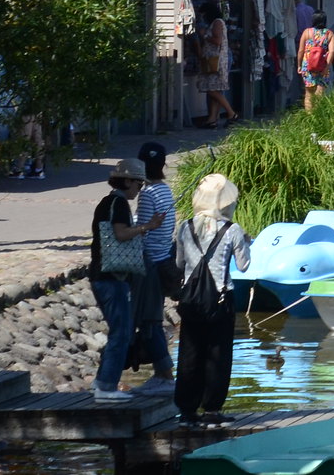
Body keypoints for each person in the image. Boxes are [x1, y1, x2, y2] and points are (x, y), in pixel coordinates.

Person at [173, 173, 252, 427]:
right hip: (220, 297)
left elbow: (179, 264)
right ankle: (212, 410)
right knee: (218, 354)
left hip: (191, 298)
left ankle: (187, 411)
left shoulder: (185, 227)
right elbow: (244, 265)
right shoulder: (232, 230)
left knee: (189, 352)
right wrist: (246, 243)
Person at [90, 157, 162, 401]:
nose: (139, 189)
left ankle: (102, 381)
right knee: (121, 332)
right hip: (109, 277)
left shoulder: (109, 202)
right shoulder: (117, 203)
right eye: (138, 184)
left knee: (120, 330)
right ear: (127, 180)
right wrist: (148, 226)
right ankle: (106, 387)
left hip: (104, 275)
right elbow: (120, 234)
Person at [129, 142, 176, 389]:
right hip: (164, 258)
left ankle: (164, 373)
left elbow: (144, 229)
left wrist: (128, 225)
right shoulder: (165, 190)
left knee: (150, 320)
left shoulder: (147, 194)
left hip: (150, 263)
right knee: (152, 318)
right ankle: (163, 370)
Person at [197, 10, 237, 127]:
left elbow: (217, 41)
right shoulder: (217, 23)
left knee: (211, 89)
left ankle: (231, 113)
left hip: (216, 61)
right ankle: (212, 119)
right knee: (216, 89)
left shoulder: (217, 23)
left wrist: (204, 35)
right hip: (215, 60)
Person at [297, 10, 334, 111]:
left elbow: (301, 50)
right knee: (320, 93)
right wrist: (327, 67)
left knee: (309, 94)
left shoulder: (307, 32)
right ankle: (318, 117)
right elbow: (332, 52)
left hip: (308, 66)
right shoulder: (329, 34)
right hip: (323, 66)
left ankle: (309, 118)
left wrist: (299, 65)